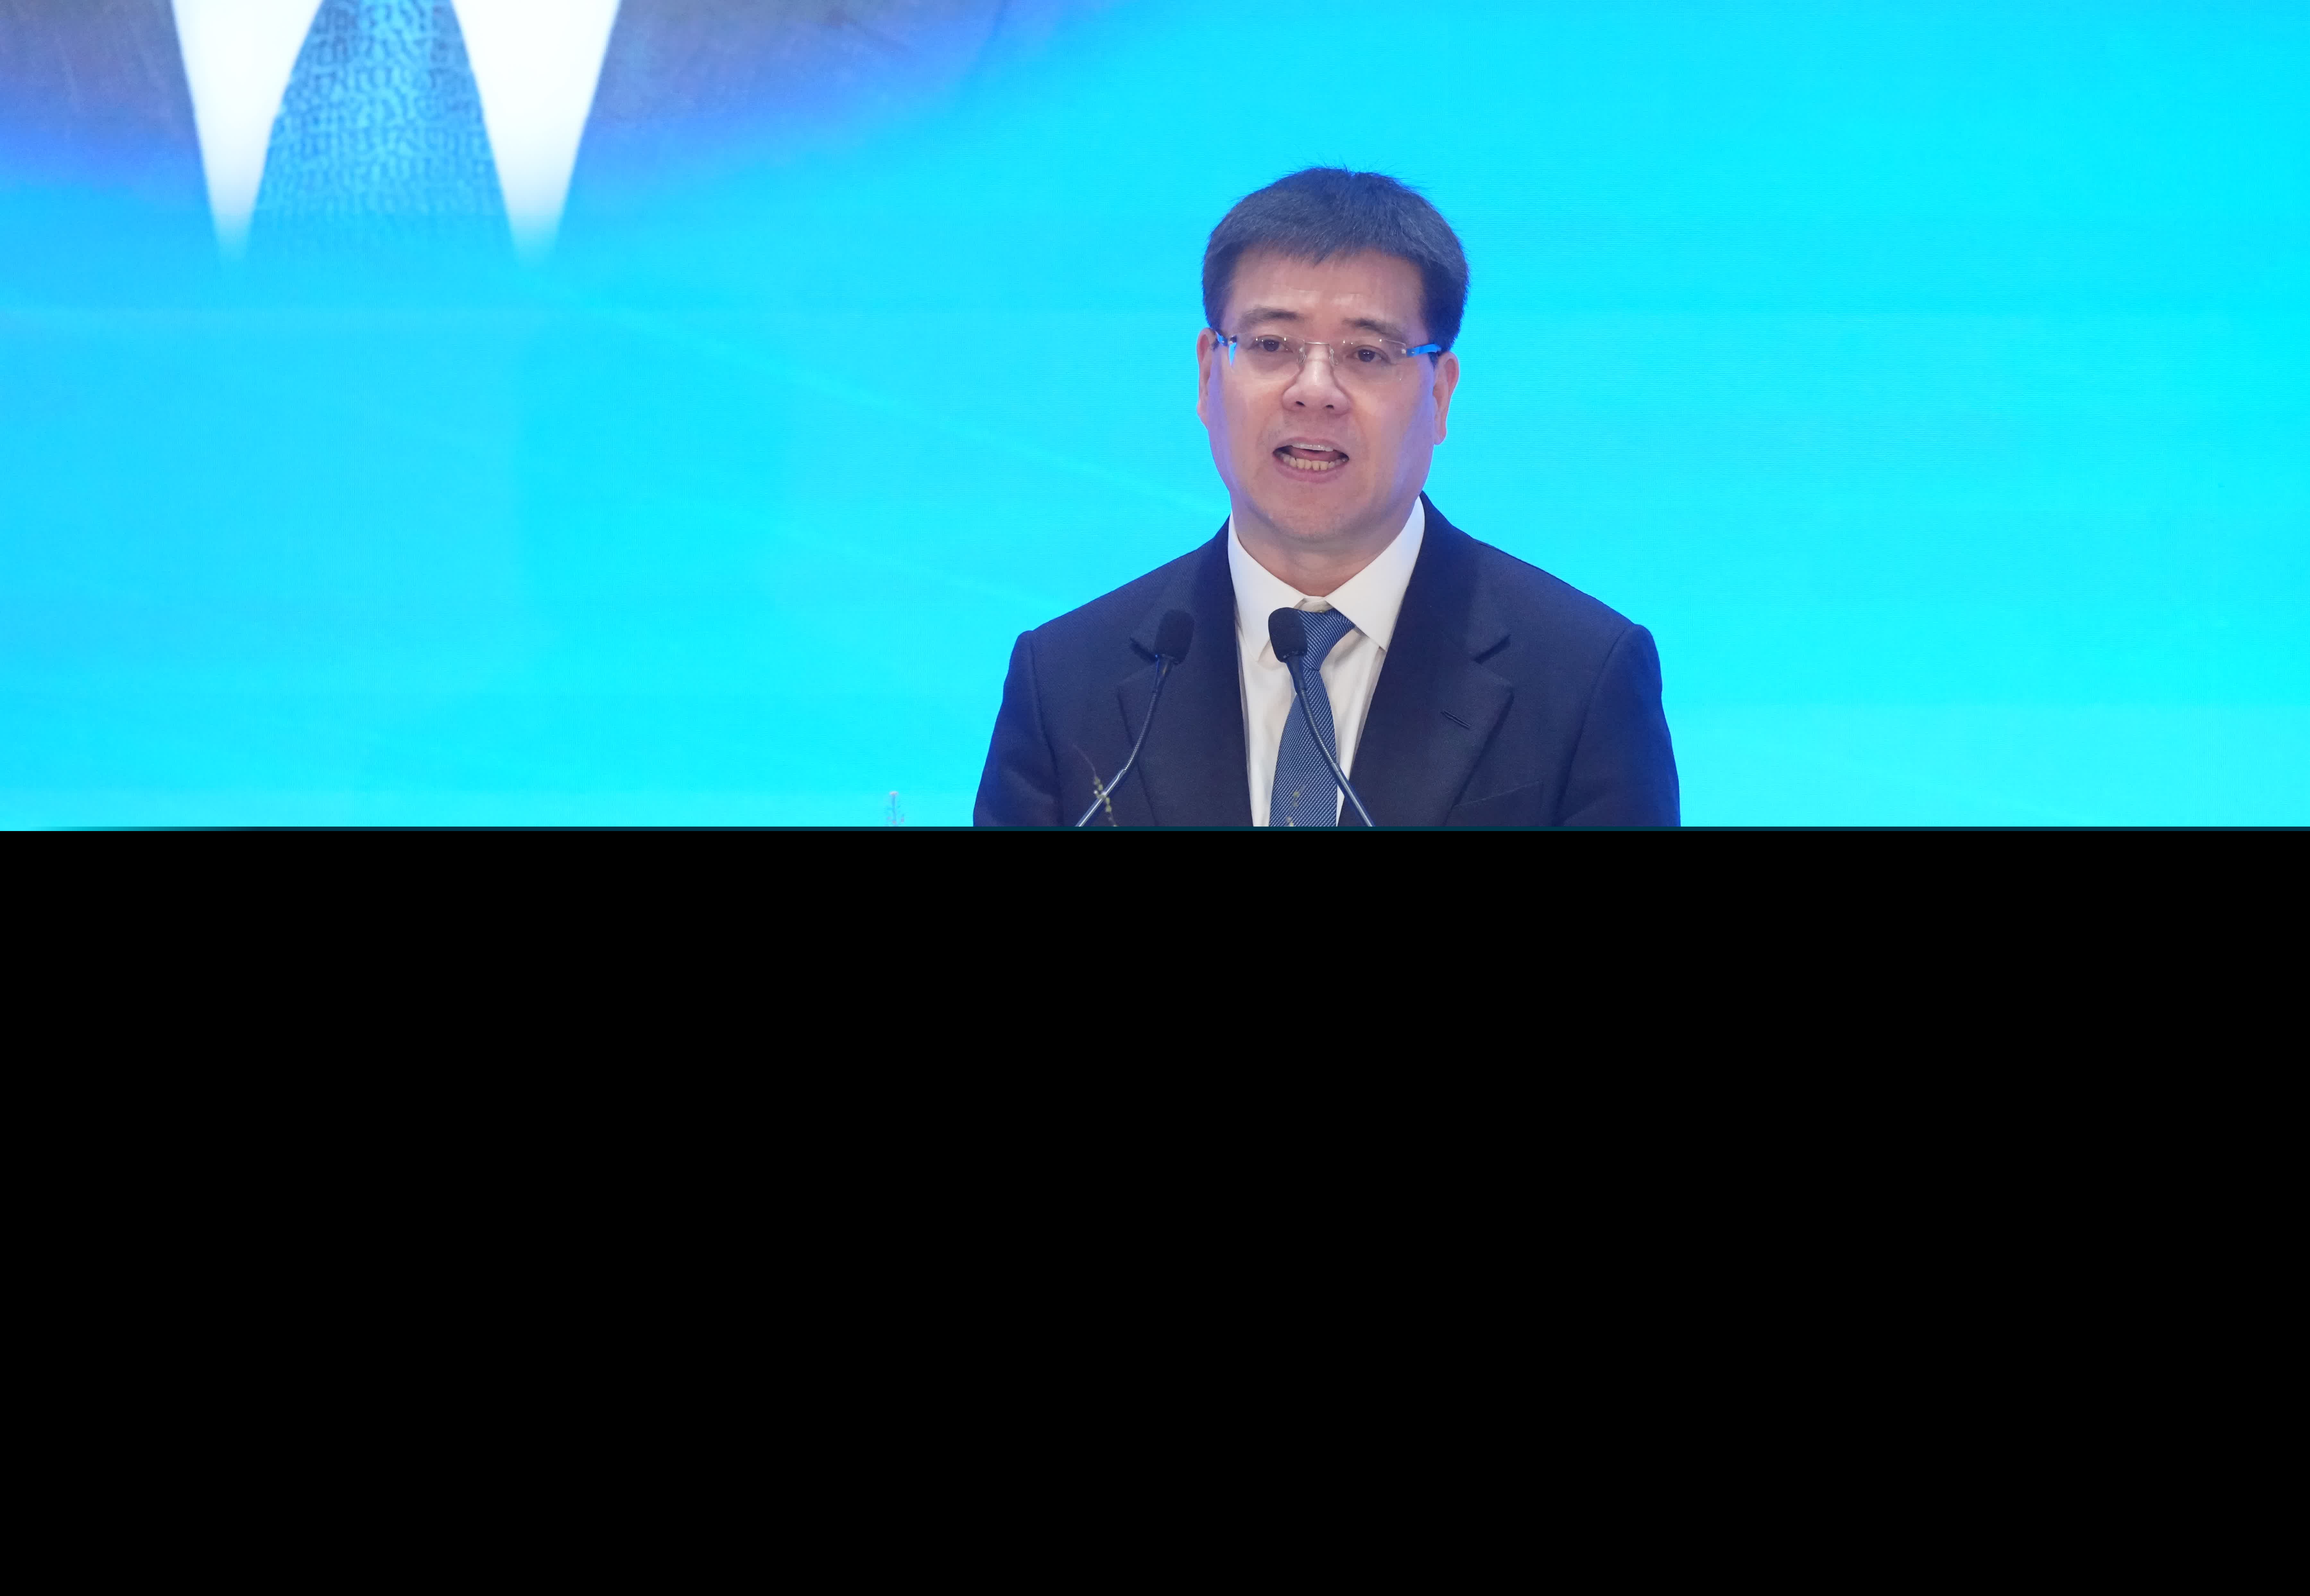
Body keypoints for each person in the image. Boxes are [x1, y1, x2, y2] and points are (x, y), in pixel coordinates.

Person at [975, 167, 1680, 827]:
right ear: (1207, 376)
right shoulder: (1065, 681)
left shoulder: (1581, 675)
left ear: (1439, 395)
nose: (1314, 390)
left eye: (1366, 354)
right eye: (1271, 345)